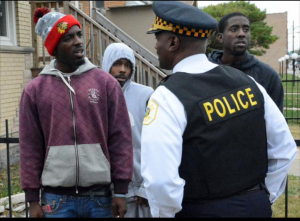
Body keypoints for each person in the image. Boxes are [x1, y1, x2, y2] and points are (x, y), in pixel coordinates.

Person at [141, 1, 297, 218]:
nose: (156, 46)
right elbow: (284, 149)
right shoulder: (248, 83)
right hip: (255, 206)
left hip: (202, 209)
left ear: (173, 42)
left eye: (158, 38)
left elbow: (161, 180)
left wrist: (167, 214)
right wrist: (262, 195)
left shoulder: (166, 97)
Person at [19, 8, 133, 218]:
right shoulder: (35, 91)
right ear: (54, 47)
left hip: (100, 198)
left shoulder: (105, 83)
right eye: (68, 38)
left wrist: (121, 191)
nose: (79, 41)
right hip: (56, 201)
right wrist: (32, 200)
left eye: (79, 35)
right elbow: (30, 146)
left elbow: (121, 137)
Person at [102, 43, 154, 218]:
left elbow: (155, 144)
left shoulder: (146, 95)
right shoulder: (95, 97)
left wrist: (147, 187)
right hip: (105, 192)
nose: (123, 70)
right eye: (117, 64)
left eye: (127, 65)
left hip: (140, 191)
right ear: (107, 64)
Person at [208, 12, 284, 112]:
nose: (241, 34)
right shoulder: (205, 71)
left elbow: (276, 122)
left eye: (246, 30)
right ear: (220, 37)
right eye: (234, 29)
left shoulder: (268, 76)